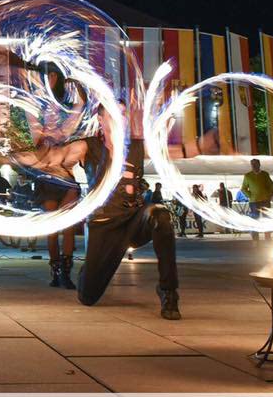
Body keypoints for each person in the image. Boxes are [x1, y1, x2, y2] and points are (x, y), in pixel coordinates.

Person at [14, 100, 181, 319]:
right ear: (101, 120)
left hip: (133, 220)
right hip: (104, 227)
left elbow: (177, 151)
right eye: (113, 114)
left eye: (122, 114)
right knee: (88, 296)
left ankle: (168, 291)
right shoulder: (88, 147)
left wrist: (208, 143)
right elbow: (53, 158)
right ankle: (85, 272)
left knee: (161, 215)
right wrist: (21, 156)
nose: (120, 118)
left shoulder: (138, 146)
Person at [241, 159, 273, 242]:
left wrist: (269, 195)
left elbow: (271, 186)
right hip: (254, 202)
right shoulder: (247, 176)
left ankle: (268, 238)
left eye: (255, 164)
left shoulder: (265, 174)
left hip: (265, 201)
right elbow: (243, 189)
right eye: (252, 164)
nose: (254, 166)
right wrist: (250, 196)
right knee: (255, 220)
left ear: (259, 165)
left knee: (267, 219)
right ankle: (255, 239)